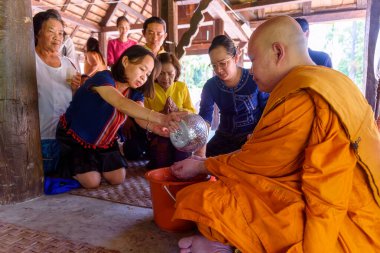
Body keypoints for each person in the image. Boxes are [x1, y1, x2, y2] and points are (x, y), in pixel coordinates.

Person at [170, 16, 380, 253]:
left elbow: (256, 165)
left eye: (254, 60)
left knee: (204, 198)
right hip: (366, 212)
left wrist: (203, 166)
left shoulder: (302, 97)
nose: (252, 69)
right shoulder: (336, 82)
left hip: (344, 226)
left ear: (278, 52)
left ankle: (227, 244)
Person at [56, 45, 184, 189]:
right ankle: (73, 164)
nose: (144, 77)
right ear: (125, 61)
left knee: (117, 178)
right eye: (142, 69)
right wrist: (162, 118)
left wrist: (155, 128)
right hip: (77, 139)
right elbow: (120, 102)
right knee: (92, 182)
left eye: (148, 74)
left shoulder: (135, 92)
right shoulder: (103, 78)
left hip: (105, 142)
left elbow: (139, 116)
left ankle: (93, 164)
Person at [196, 35, 268, 157]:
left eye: (223, 63)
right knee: (204, 162)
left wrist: (261, 136)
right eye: (214, 65)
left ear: (235, 58)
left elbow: (268, 109)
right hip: (224, 137)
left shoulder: (254, 77)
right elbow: (205, 118)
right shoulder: (210, 86)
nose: (218, 70)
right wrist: (200, 152)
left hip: (252, 137)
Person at [33, 9, 81, 175]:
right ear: (38, 33)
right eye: (51, 31)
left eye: (61, 33)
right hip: (40, 138)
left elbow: (74, 101)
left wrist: (76, 89)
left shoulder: (68, 64)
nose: (57, 37)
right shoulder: (29, 60)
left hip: (66, 137)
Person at [144, 52, 196, 169]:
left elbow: (192, 111)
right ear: (155, 73)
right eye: (161, 74)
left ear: (176, 72)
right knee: (162, 159)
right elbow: (143, 115)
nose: (165, 78)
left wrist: (178, 110)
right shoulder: (149, 88)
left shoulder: (181, 87)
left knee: (182, 156)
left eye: (170, 74)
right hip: (158, 131)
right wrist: (161, 114)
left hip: (180, 130)